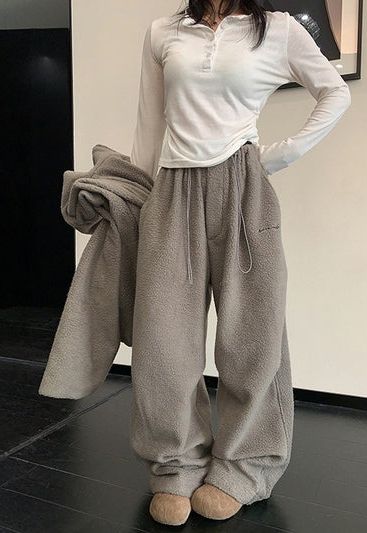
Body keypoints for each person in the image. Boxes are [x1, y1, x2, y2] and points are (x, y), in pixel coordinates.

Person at [129, 0, 351, 526]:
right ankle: (175, 465)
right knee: (163, 340)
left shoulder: (277, 29)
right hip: (172, 190)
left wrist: (276, 156)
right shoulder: (163, 32)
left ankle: (245, 467)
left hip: (243, 187)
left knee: (253, 334)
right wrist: (134, 198)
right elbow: (149, 124)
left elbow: (334, 92)